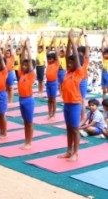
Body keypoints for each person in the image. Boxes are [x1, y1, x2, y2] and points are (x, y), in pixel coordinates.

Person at [59, 29, 84, 162]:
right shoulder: (68, 72)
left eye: (72, 61)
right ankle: (68, 151)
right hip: (67, 104)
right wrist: (68, 40)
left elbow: (74, 54)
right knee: (69, 128)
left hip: (75, 104)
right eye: (69, 61)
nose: (69, 62)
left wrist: (73, 41)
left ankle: (76, 152)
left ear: (77, 63)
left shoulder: (79, 72)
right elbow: (69, 54)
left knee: (75, 129)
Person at [18, 38, 36, 149]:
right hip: (21, 99)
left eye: (26, 66)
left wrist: (28, 48)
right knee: (25, 122)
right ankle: (26, 141)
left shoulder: (31, 74)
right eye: (23, 66)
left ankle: (29, 142)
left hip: (28, 100)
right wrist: (23, 47)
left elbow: (29, 60)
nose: (24, 67)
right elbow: (22, 60)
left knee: (29, 122)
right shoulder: (22, 74)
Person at [77, 28, 90, 121]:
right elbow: (75, 45)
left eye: (79, 53)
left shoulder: (85, 59)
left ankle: (83, 117)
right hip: (76, 81)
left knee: (81, 100)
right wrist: (79, 35)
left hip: (83, 81)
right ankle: (79, 117)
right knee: (77, 99)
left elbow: (88, 46)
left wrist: (85, 35)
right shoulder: (77, 59)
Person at [45, 35, 60, 119]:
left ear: (54, 59)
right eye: (48, 59)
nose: (49, 60)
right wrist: (50, 43)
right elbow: (47, 52)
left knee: (53, 99)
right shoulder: (49, 64)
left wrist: (54, 43)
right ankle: (49, 113)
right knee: (49, 99)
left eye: (51, 59)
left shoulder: (56, 64)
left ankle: (53, 114)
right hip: (48, 83)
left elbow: (57, 54)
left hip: (54, 83)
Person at [5, 36, 15, 103]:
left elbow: (11, 49)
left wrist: (10, 42)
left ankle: (10, 101)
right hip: (5, 74)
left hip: (10, 73)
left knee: (10, 87)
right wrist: (6, 41)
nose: (7, 53)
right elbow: (4, 49)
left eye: (8, 53)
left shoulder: (12, 57)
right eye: (6, 53)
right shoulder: (4, 58)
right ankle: (6, 100)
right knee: (6, 88)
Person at [36, 33, 47, 97]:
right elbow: (38, 45)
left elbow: (44, 46)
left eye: (40, 49)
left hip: (41, 66)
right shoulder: (37, 53)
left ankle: (41, 91)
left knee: (41, 80)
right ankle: (39, 91)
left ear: (42, 49)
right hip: (37, 67)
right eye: (38, 49)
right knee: (39, 80)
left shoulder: (43, 52)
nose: (38, 49)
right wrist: (40, 38)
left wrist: (43, 38)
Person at [101, 35, 108, 99]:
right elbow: (102, 49)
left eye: (106, 54)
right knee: (104, 89)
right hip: (103, 73)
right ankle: (104, 101)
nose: (105, 55)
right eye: (104, 54)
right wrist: (102, 41)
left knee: (106, 89)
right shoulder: (104, 59)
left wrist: (106, 40)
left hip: (107, 73)